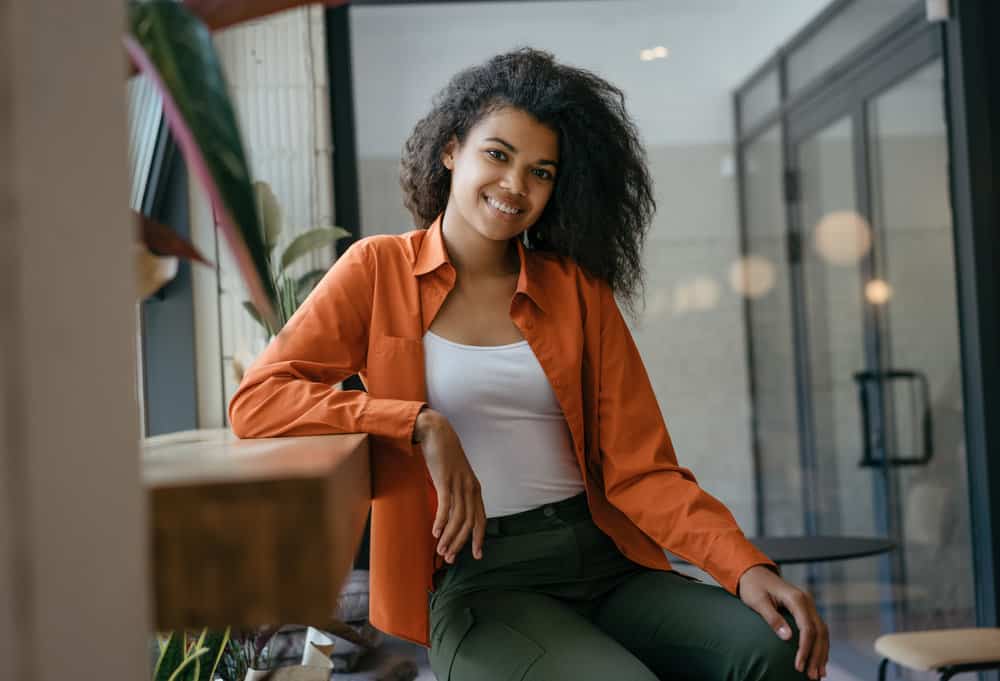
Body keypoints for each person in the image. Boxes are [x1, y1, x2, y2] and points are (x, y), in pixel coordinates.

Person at [230, 48, 829, 681]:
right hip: (480, 583)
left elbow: (644, 470)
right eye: (498, 154)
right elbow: (258, 401)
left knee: (773, 652)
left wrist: (745, 566)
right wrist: (417, 422)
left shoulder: (575, 291)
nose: (516, 185)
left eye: (540, 171)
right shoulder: (378, 271)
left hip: (604, 562)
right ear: (451, 150)